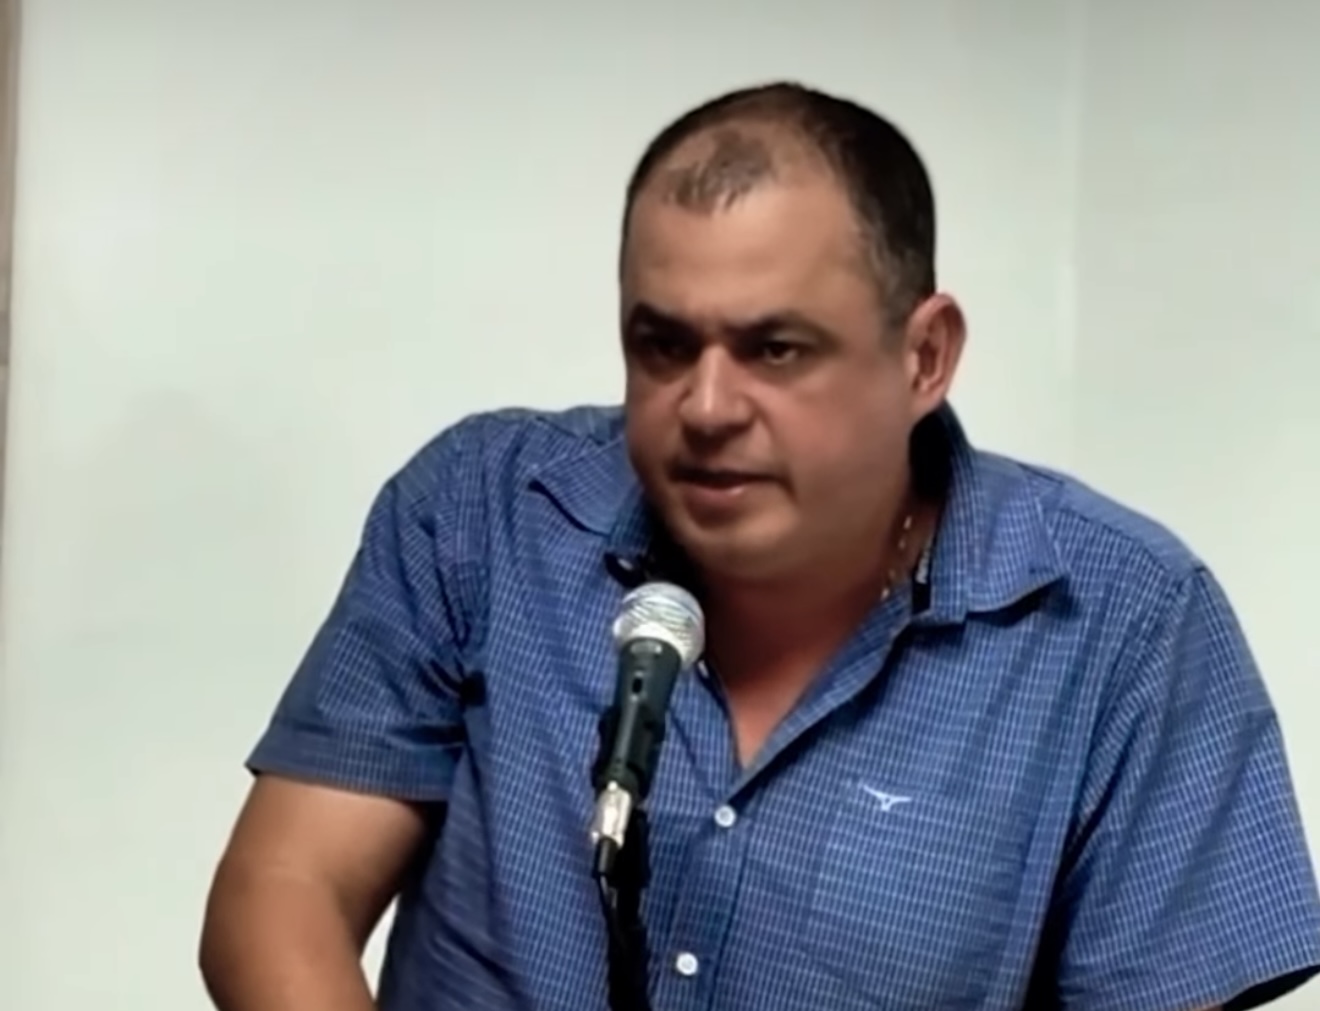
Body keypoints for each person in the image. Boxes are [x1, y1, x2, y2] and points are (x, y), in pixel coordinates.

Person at [198, 81, 1320, 1011]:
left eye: (775, 350)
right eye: (663, 345)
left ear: (924, 357)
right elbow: (281, 896)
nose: (705, 407)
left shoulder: (1121, 623)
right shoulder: (485, 513)